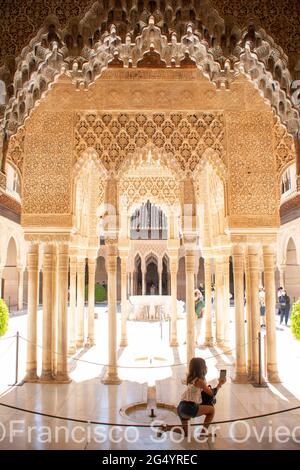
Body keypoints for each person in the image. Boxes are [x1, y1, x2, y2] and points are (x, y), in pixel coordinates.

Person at [157, 357, 226, 438]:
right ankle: (203, 432)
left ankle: (165, 427)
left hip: (181, 407)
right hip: (189, 408)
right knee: (211, 410)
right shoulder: (200, 381)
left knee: (184, 432)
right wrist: (220, 384)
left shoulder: (190, 378)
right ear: (202, 368)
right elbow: (212, 394)